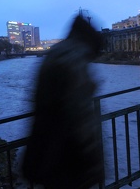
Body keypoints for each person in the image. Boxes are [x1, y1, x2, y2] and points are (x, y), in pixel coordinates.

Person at [22, 15, 104, 188]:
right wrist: (93, 157)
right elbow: (80, 113)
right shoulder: (74, 58)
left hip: (44, 150)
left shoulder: (55, 53)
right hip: (67, 156)